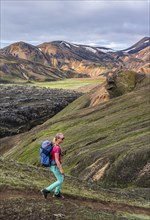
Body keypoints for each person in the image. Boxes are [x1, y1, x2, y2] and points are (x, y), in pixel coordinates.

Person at [41, 133, 65, 199]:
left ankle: (57, 193)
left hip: (53, 165)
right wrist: (61, 169)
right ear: (57, 139)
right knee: (60, 180)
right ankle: (46, 190)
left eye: (63, 138)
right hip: (55, 166)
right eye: (62, 139)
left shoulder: (54, 145)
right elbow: (56, 160)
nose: (63, 140)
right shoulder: (56, 148)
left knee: (61, 178)